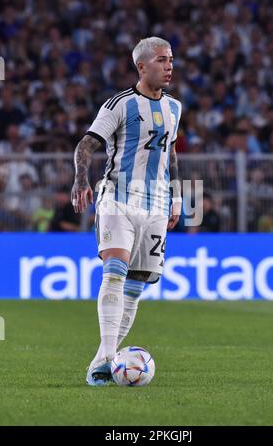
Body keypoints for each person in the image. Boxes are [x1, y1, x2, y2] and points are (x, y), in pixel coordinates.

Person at [71, 37, 182, 386]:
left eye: (171, 60)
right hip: (117, 197)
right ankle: (106, 358)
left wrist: (176, 198)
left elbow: (171, 154)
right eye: (162, 60)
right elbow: (86, 144)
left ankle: (104, 358)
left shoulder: (175, 108)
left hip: (156, 205)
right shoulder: (118, 104)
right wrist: (80, 180)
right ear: (142, 66)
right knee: (115, 271)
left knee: (135, 285)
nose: (169, 67)